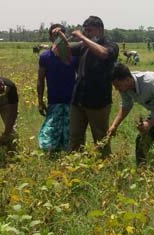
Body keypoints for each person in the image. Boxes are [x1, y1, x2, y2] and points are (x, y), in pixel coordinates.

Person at [67, 16, 119, 158]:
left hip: (98, 101)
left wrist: (82, 37)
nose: (86, 34)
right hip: (78, 99)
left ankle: (105, 165)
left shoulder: (111, 45)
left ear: (100, 30)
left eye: (89, 31)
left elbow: (103, 54)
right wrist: (60, 36)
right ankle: (74, 164)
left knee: (100, 137)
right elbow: (61, 51)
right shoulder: (84, 45)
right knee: (75, 136)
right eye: (85, 31)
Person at [36, 24, 77, 152]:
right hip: (54, 99)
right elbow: (40, 79)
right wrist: (40, 100)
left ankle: (68, 153)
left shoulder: (73, 56)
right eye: (55, 35)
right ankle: (50, 152)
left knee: (70, 131)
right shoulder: (45, 57)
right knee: (51, 129)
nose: (58, 37)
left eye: (61, 34)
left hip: (72, 99)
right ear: (50, 38)